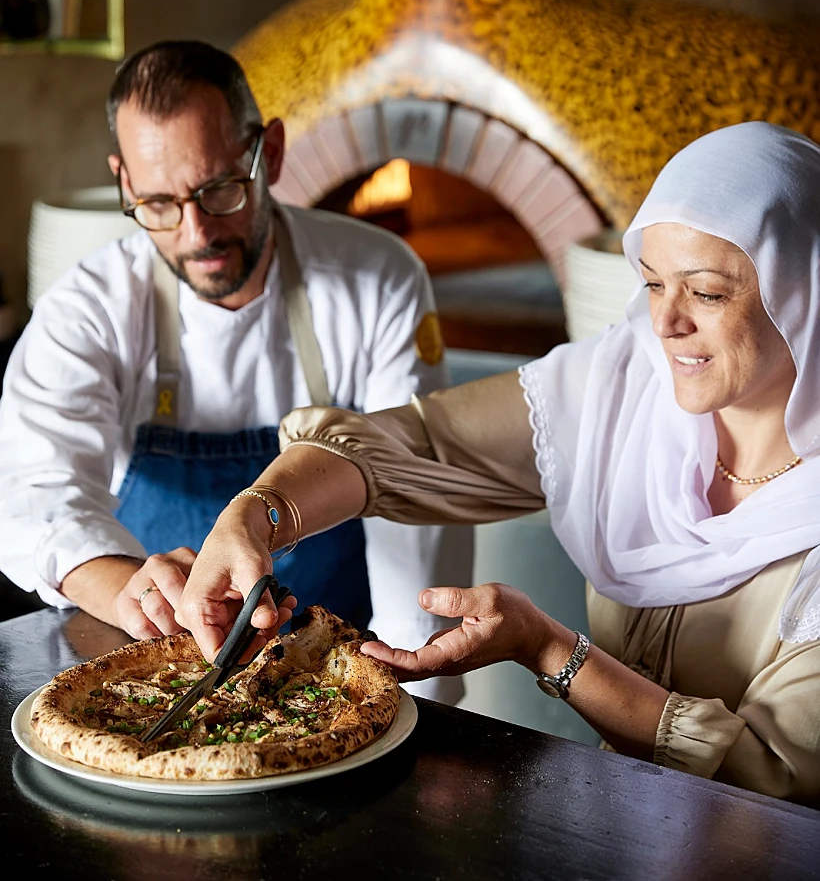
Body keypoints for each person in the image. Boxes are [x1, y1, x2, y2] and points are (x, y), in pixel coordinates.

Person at [177, 121, 820, 804]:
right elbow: (413, 444)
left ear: (805, 292)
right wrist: (257, 514)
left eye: (708, 292)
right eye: (654, 283)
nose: (665, 323)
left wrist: (547, 648)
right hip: (618, 823)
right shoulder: (627, 389)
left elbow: (776, 781)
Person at [0, 40, 473, 702]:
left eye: (218, 189)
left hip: (345, 674)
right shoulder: (86, 308)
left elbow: (412, 494)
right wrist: (132, 589)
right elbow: (36, 495)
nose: (197, 233)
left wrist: (415, 703)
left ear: (268, 154)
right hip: (159, 670)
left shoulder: (378, 279)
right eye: (159, 203)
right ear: (125, 183)